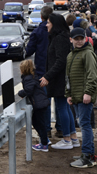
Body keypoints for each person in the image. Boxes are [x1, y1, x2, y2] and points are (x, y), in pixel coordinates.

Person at [40, 13, 79, 149]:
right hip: (61, 78)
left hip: (60, 79)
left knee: (62, 107)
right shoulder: (60, 37)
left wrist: (47, 76)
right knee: (65, 107)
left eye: (49, 22)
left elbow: (60, 61)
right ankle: (73, 138)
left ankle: (67, 139)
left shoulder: (59, 39)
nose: (46, 24)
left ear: (55, 24)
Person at [26, 6, 62, 138]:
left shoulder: (37, 32)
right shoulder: (58, 31)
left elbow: (29, 51)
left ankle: (46, 129)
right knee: (59, 101)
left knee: (44, 101)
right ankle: (61, 128)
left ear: (41, 17)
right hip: (57, 70)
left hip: (42, 70)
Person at [66, 27, 97, 168]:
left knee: (85, 125)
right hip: (76, 96)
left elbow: (92, 75)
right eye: (76, 39)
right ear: (71, 39)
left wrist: (88, 93)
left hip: (85, 96)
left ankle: (88, 157)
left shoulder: (87, 54)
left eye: (81, 38)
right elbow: (68, 77)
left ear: (85, 38)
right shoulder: (71, 55)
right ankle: (87, 153)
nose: (79, 41)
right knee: (83, 124)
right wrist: (68, 94)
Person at [18, 60, 50, 152]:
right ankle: (44, 140)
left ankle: (44, 144)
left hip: (39, 104)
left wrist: (20, 93)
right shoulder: (33, 76)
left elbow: (28, 91)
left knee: (39, 123)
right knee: (37, 122)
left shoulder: (28, 78)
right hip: (40, 103)